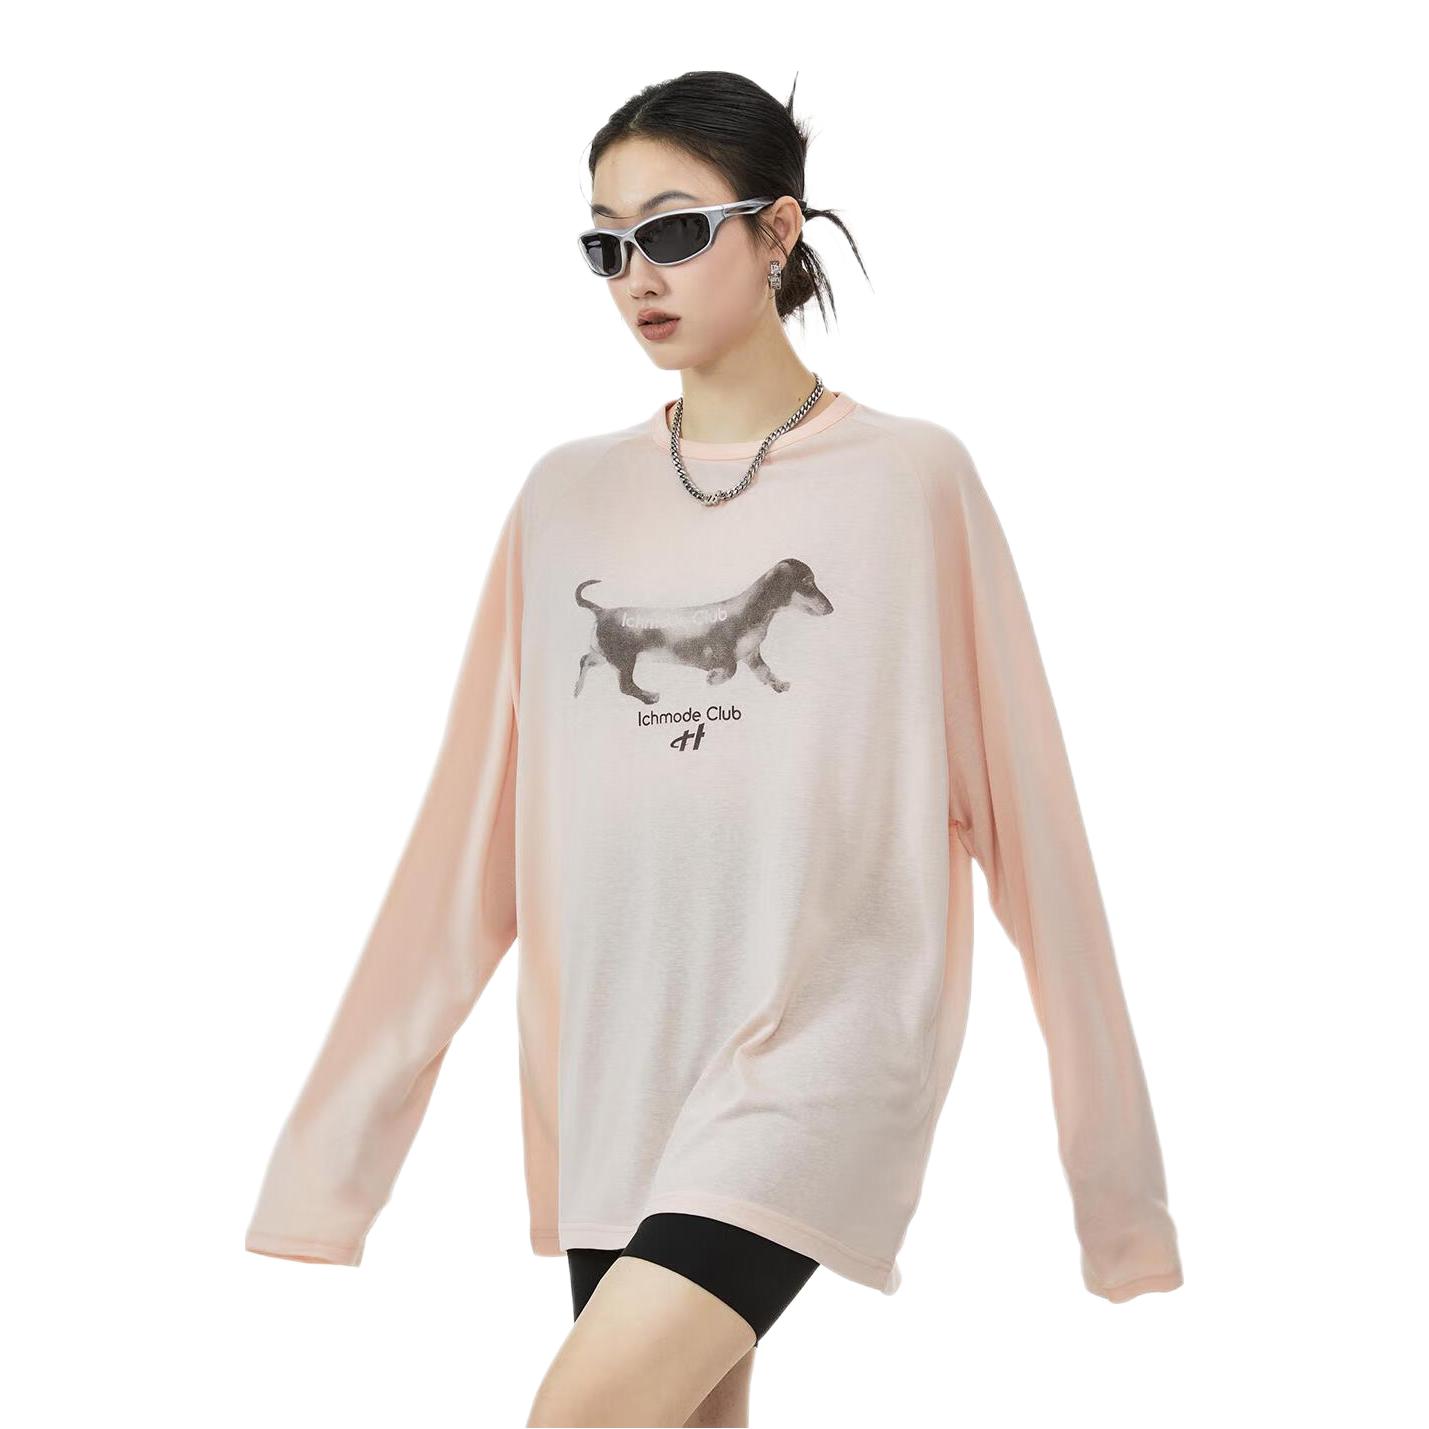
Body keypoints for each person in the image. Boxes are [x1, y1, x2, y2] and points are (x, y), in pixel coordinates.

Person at [245, 70, 1184, 1429]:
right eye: (606, 244)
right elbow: (468, 841)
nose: (638, 274)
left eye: (675, 230)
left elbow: (1036, 828)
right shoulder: (564, 496)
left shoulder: (910, 483)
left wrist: (1117, 1192)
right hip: (615, 1061)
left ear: (778, 230)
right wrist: (332, 1158)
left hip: (820, 1048)